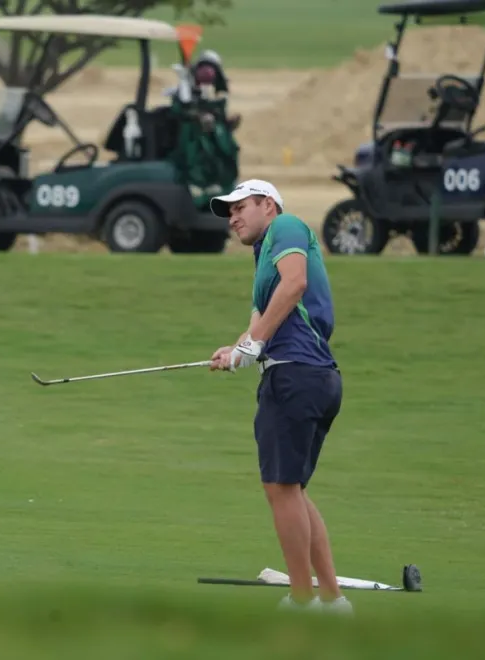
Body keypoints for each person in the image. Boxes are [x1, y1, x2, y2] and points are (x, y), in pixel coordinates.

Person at [206, 179, 352, 615]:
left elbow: (296, 285)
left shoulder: (285, 227)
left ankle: (305, 600)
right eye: (227, 212)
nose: (232, 217)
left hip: (295, 377)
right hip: (311, 378)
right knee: (293, 490)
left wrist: (253, 346)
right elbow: (262, 320)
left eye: (240, 207)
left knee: (280, 488)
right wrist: (237, 350)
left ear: (267, 205)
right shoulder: (262, 257)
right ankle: (332, 600)